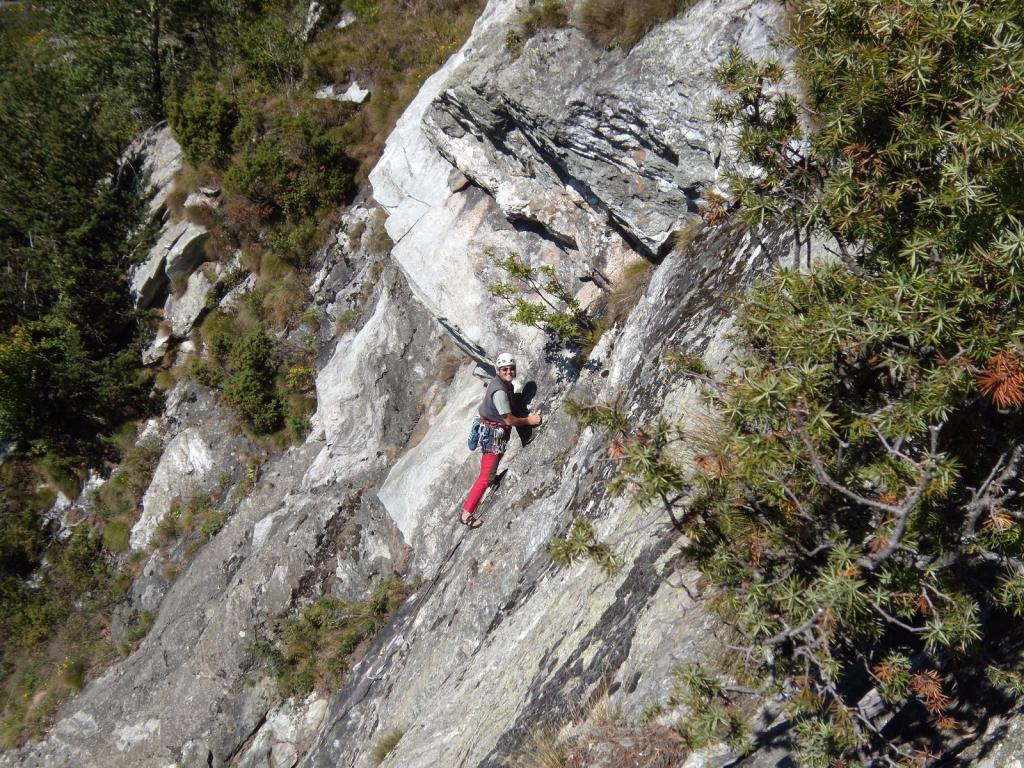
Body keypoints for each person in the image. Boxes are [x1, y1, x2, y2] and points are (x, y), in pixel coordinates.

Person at [460, 352, 541, 528]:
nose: (509, 372)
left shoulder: (504, 384)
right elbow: (509, 420)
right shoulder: (500, 392)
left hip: (492, 430)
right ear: (498, 370)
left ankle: (492, 475)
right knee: (484, 479)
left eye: (512, 368)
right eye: (505, 369)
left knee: (490, 470)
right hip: (493, 434)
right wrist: (529, 420)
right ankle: (466, 515)